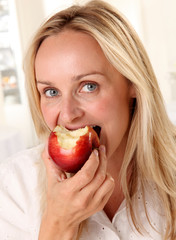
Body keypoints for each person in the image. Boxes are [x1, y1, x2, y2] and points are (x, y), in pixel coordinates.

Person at [0, 0, 176, 239]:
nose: (68, 114)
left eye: (88, 86)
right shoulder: (13, 185)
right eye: (51, 92)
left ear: (132, 84)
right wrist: (58, 224)